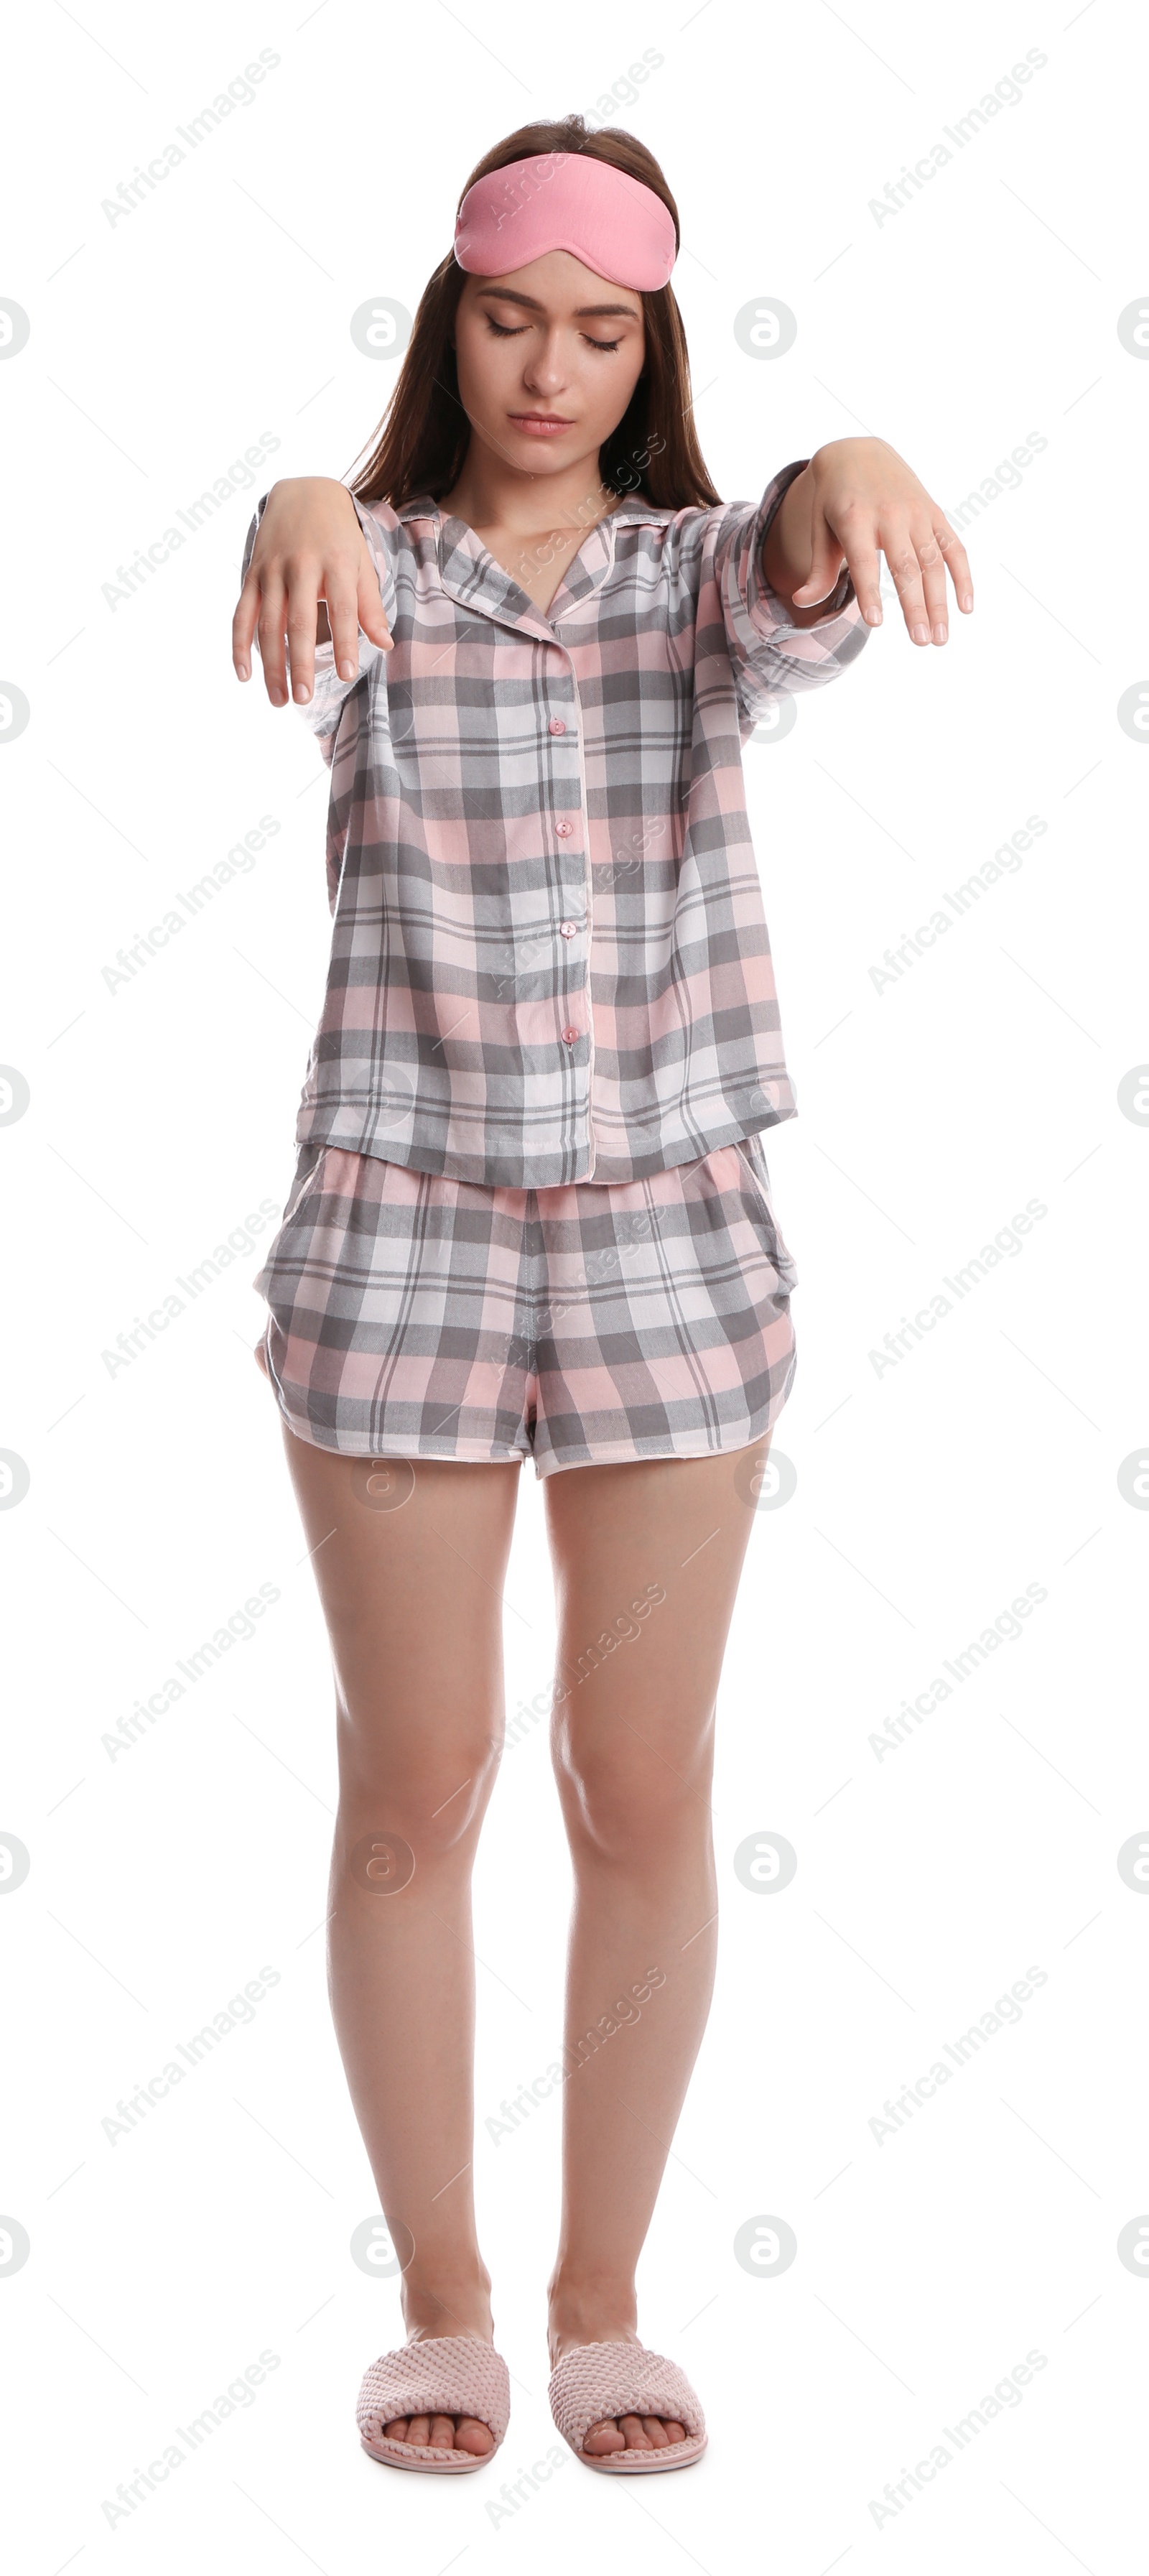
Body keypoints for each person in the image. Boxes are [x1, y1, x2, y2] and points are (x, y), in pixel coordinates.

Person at [232, 114, 973, 2480]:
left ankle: (601, 2297)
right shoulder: (373, 581)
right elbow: (301, 585)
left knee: (642, 1780)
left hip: (665, 1237)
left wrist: (845, 449)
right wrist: (296, 496)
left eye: (605, 324)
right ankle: (442, 2298)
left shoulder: (688, 579)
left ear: (651, 344)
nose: (550, 363)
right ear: (446, 317)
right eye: (507, 310)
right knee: (412, 1786)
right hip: (404, 1241)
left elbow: (795, 584)